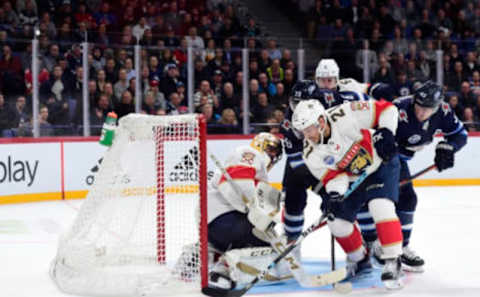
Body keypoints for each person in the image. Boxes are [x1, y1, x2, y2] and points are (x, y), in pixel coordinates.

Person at [291, 98, 405, 289]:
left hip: (379, 165)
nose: (306, 135)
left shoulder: (345, 114)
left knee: (380, 206)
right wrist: (335, 194)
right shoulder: (310, 153)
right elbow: (333, 177)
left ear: (320, 121)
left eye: (308, 129)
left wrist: (386, 132)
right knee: (337, 224)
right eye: (302, 131)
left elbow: (387, 109)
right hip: (353, 178)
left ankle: (393, 260)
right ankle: (360, 260)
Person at [357, 81, 468, 272]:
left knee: (407, 199)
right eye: (419, 107)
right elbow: (369, 128)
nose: (422, 113)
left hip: (398, 158)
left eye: (427, 109)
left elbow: (460, 135)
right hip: (373, 155)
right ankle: (371, 242)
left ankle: (401, 246)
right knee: (369, 198)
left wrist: (448, 147)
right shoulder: (398, 108)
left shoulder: (443, 111)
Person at [176, 133, 285, 290]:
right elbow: (240, 189)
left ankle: (202, 254)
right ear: (261, 144)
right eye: (271, 150)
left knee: (261, 237)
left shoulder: (252, 164)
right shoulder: (249, 152)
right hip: (223, 219)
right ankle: (226, 266)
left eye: (275, 153)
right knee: (265, 241)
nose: (273, 156)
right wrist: (255, 211)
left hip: (214, 222)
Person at [315, 58, 395, 101]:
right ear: (317, 80)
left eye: (329, 80)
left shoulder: (348, 84)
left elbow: (368, 88)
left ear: (336, 80)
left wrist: (380, 88)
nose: (325, 84)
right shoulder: (311, 95)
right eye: (322, 80)